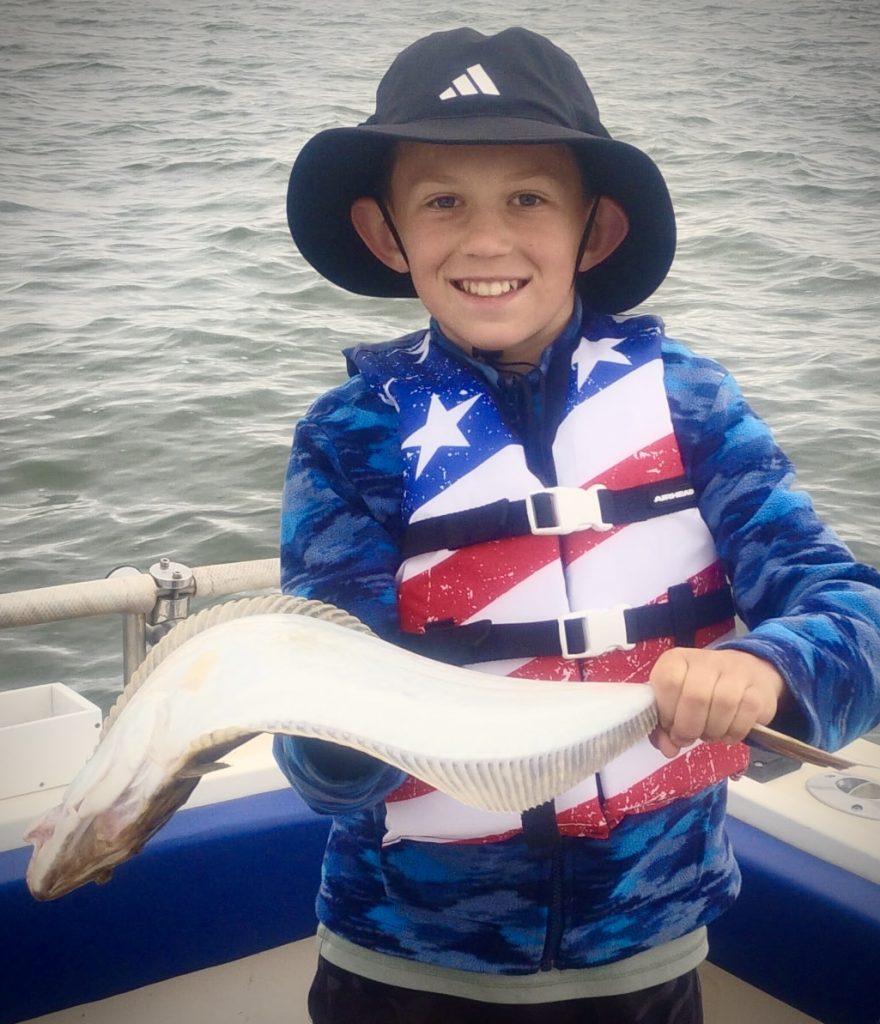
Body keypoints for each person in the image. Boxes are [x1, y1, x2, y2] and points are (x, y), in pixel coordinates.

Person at [274, 26, 880, 1023]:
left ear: (593, 231)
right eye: (442, 201)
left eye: (528, 198)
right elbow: (324, 760)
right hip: (398, 962)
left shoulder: (691, 402)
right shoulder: (350, 434)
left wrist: (770, 667)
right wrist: (316, 724)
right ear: (386, 234)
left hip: (643, 955)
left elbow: (853, 609)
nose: (486, 241)